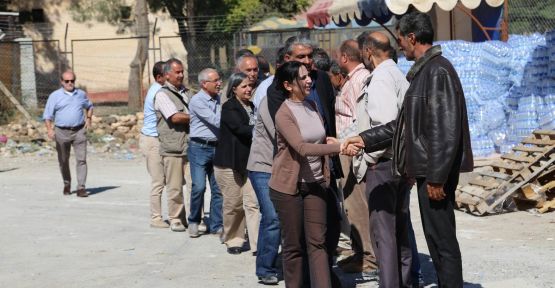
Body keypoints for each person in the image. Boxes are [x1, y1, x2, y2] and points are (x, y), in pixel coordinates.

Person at [344, 12, 473, 288]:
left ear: (412, 38)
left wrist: (437, 178)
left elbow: (446, 130)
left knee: (443, 242)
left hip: (434, 176)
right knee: (436, 241)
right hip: (427, 173)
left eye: (400, 39)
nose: (399, 46)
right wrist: (364, 139)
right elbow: (403, 128)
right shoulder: (425, 72)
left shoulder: (437, 71)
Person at [268, 61, 356, 288]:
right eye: (303, 78)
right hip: (290, 187)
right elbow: (302, 148)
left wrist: (331, 141)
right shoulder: (283, 113)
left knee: (318, 243)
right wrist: (340, 147)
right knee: (294, 246)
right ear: (288, 85)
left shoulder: (312, 105)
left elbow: (318, 138)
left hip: (316, 183)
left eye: (309, 76)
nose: (309, 81)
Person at [356, 31, 412, 287]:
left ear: (368, 51)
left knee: (384, 236)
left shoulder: (380, 78)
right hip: (400, 164)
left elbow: (386, 127)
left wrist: (369, 158)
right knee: (399, 232)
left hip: (383, 164)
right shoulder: (397, 74)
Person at [333, 39, 377, 275]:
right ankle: (360, 253)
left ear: (343, 58)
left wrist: (342, 143)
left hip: (352, 150)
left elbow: (360, 121)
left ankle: (369, 258)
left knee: (357, 206)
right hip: (347, 148)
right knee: (351, 206)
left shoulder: (359, 80)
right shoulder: (352, 80)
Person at [247, 48, 287, 286]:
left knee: (281, 216)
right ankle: (265, 267)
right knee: (272, 216)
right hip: (264, 164)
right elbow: (282, 135)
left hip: (284, 164)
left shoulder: (301, 90)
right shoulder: (268, 93)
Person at [213, 72, 260, 255]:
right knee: (233, 203)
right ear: (234, 89)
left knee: (252, 203)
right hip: (229, 164)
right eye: (244, 86)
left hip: (248, 163)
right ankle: (234, 238)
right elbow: (240, 129)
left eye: (250, 86)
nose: (248, 89)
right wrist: (262, 129)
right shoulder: (229, 107)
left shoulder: (252, 106)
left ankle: (257, 244)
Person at [153, 58, 190, 232]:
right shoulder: (162, 94)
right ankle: (175, 218)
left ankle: (191, 217)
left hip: (190, 146)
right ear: (167, 74)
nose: (181, 75)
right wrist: (198, 116)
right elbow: (175, 117)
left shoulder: (186, 92)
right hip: (172, 147)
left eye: (182, 71)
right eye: (177, 72)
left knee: (194, 186)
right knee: (175, 186)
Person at [43, 70, 93, 198]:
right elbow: (47, 115)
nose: (70, 83)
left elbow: (90, 106)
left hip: (79, 130)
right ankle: (67, 183)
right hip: (61, 131)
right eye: (67, 81)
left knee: (81, 160)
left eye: (72, 81)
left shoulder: (81, 94)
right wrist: (49, 129)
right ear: (62, 82)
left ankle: (81, 187)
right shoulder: (54, 96)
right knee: (63, 160)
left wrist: (88, 118)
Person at [187, 68, 224, 238]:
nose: (219, 83)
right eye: (215, 80)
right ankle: (194, 220)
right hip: (199, 148)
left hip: (217, 147)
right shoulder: (197, 101)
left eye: (219, 79)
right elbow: (216, 121)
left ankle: (216, 224)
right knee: (199, 187)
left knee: (218, 189)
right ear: (204, 84)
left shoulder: (220, 98)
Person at [140, 60, 173, 228]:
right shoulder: (159, 92)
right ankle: (156, 217)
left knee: (169, 179)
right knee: (158, 181)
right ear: (160, 77)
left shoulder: (161, 90)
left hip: (158, 139)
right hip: (153, 140)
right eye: (167, 73)